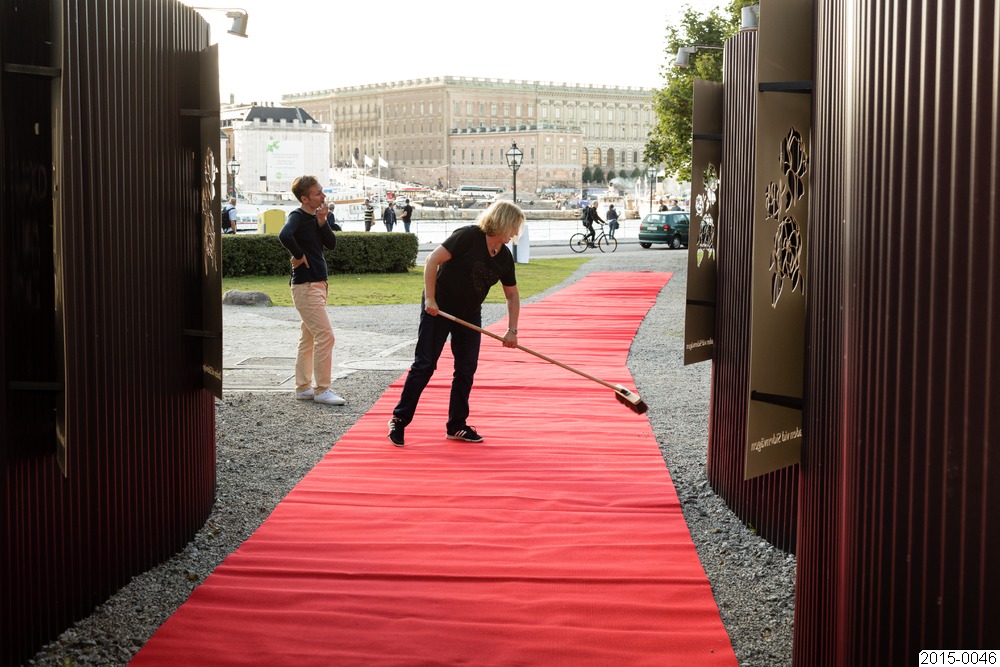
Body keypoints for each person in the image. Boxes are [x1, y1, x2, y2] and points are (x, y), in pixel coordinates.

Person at [387, 200, 524, 447]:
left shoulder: (504, 257)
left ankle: (456, 425)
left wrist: (512, 330)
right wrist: (430, 299)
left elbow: (512, 295)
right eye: (514, 226)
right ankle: (399, 419)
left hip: (469, 313)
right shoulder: (468, 236)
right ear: (503, 222)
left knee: (466, 369)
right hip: (438, 308)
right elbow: (432, 260)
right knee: (425, 364)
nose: (515, 233)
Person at [277, 175, 347, 406]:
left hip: (317, 284)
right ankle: (322, 389)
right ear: (305, 198)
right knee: (326, 336)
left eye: (322, 191)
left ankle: (303, 387)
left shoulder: (317, 217)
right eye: (318, 193)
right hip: (306, 285)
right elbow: (284, 235)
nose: (323, 196)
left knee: (308, 338)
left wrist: (322, 221)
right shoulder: (297, 216)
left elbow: (331, 244)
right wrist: (299, 255)